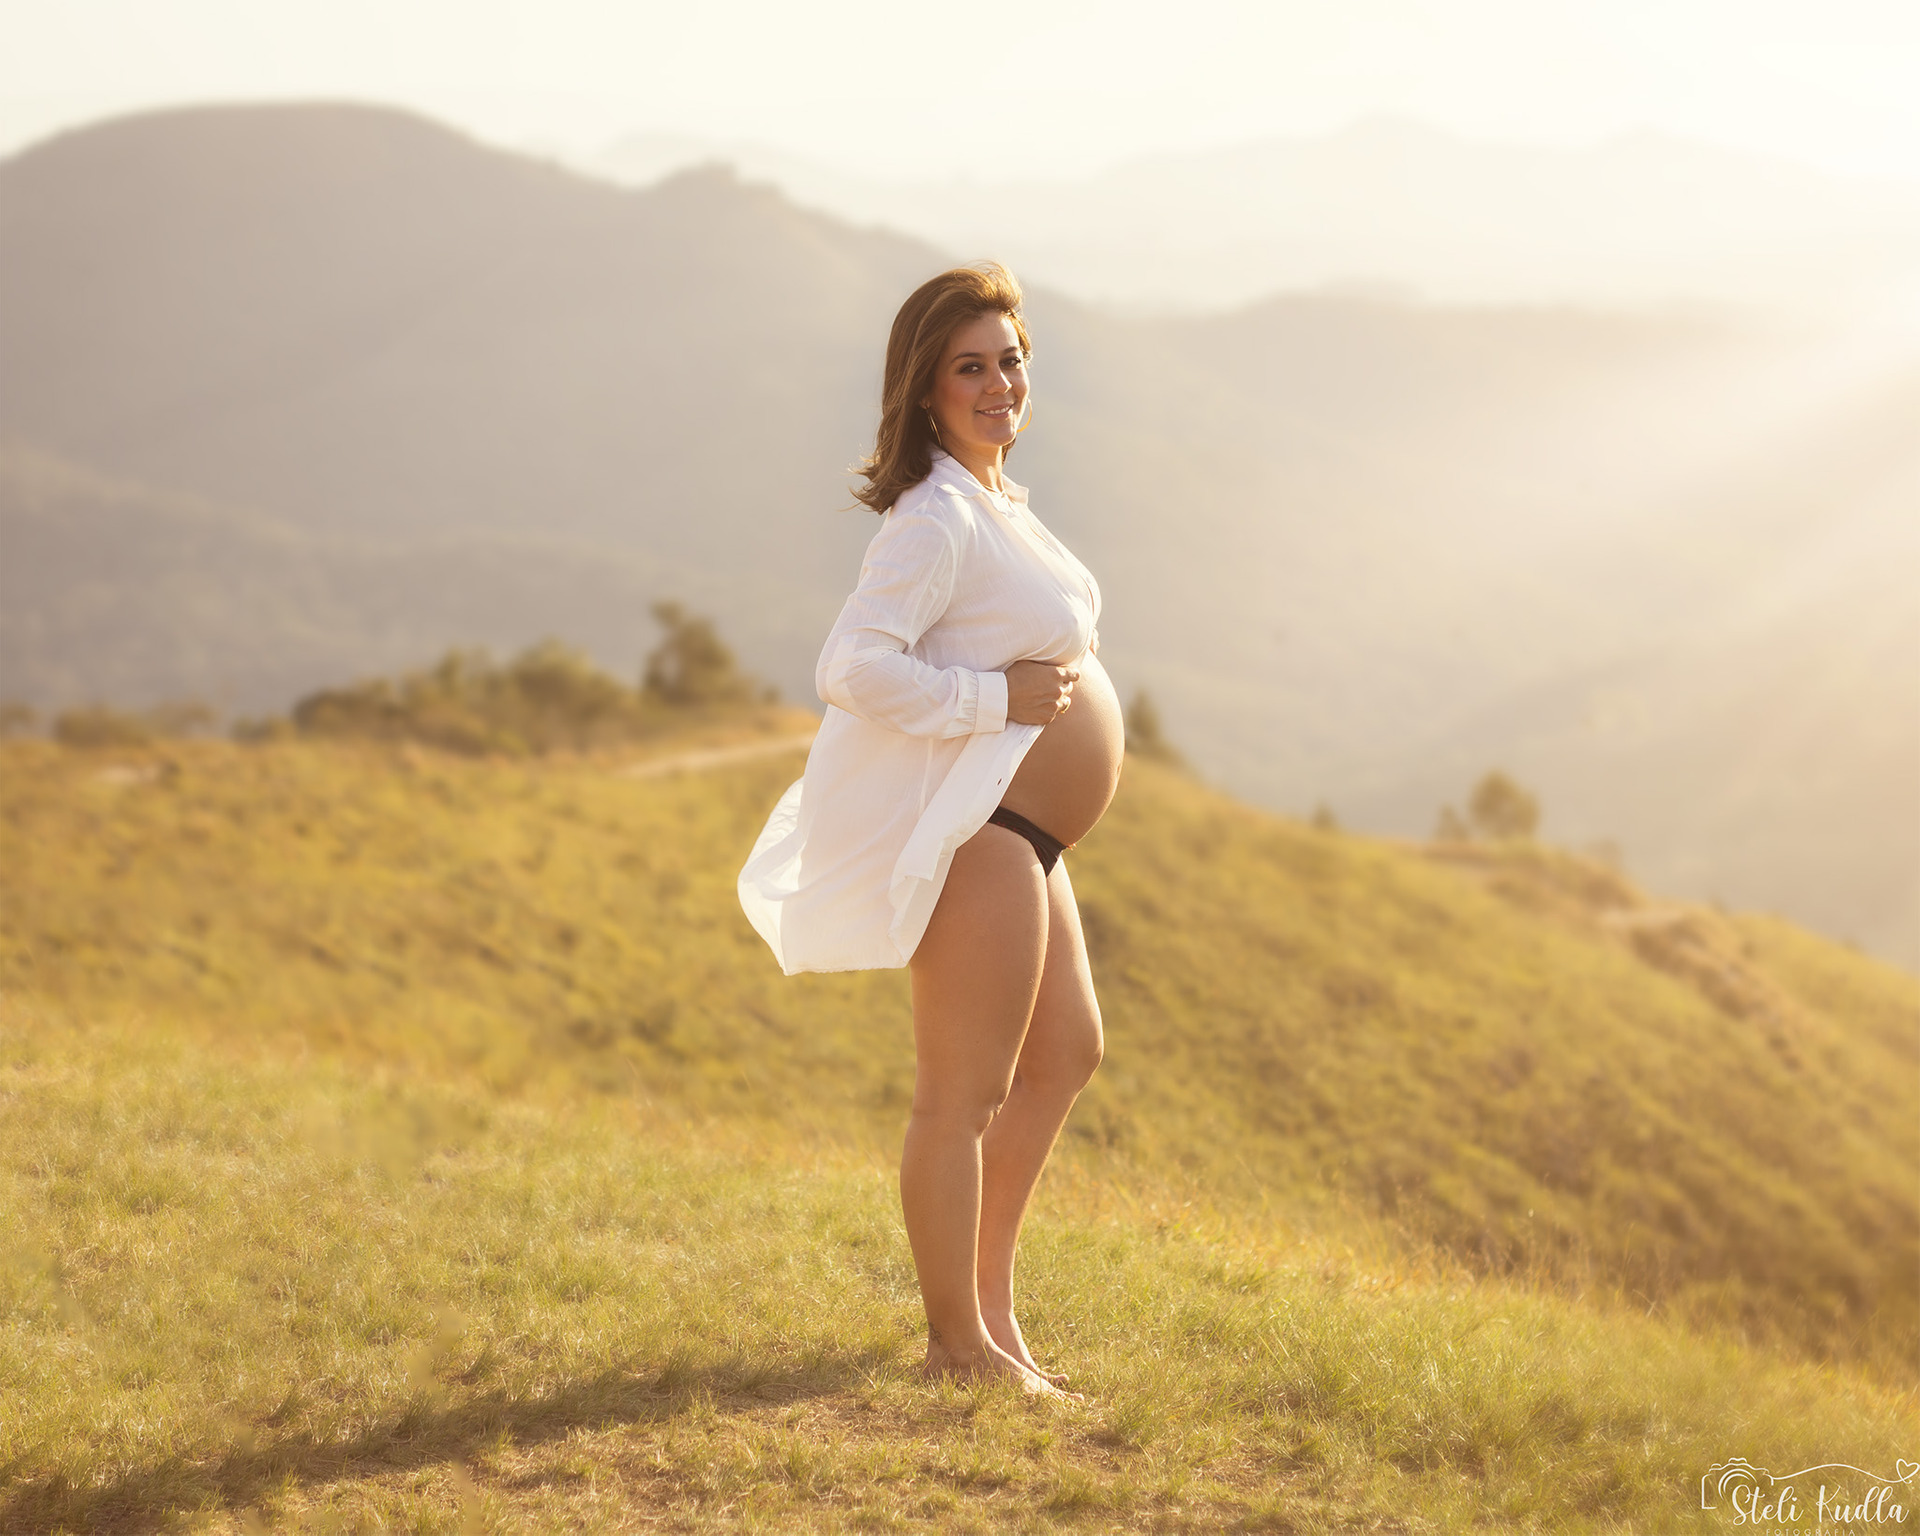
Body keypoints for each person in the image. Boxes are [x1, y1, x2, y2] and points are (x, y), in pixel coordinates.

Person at [739, 263, 1123, 1398]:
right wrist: (991, 700)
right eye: (971, 367)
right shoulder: (934, 518)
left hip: (1027, 830)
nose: (1000, 383)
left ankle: (989, 1309)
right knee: (960, 1097)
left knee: (1066, 1054)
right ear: (925, 389)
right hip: (981, 829)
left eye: (1011, 360)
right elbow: (851, 667)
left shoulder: (996, 500)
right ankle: (958, 1346)